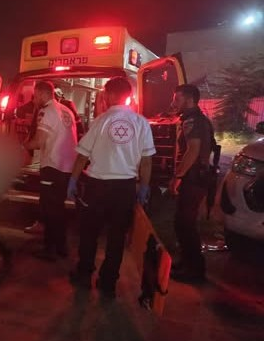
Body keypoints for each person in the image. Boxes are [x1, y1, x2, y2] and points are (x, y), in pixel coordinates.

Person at [68, 77, 155, 298]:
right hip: (125, 188)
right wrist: (144, 187)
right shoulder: (141, 123)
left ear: (109, 95)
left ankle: (84, 274)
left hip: (97, 186)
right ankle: (108, 282)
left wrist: (73, 180)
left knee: (90, 233)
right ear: (128, 96)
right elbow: (147, 161)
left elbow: (82, 156)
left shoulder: (101, 121)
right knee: (117, 237)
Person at [23, 81, 77, 261]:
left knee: (49, 208)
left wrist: (21, 146)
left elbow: (39, 142)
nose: (34, 99)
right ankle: (60, 247)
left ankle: (50, 249)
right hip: (67, 166)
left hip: (52, 165)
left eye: (35, 95)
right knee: (58, 207)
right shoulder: (66, 110)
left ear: (41, 93)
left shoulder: (46, 111)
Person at [169, 84, 213, 283]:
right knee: (182, 223)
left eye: (177, 99)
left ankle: (194, 270)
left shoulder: (193, 121)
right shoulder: (196, 119)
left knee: (186, 224)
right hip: (196, 177)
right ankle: (187, 262)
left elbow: (192, 150)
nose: (174, 103)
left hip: (193, 178)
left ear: (189, 99)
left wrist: (178, 177)